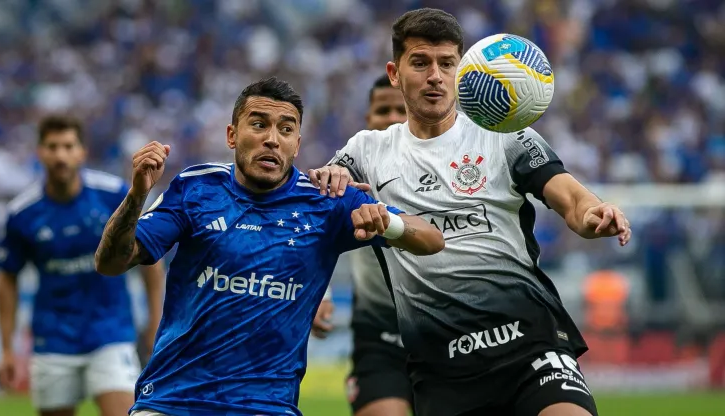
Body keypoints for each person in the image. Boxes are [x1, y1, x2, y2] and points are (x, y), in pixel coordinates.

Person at [308, 8, 633, 416]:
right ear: (394, 73)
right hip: (440, 369)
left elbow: (570, 197)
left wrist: (594, 213)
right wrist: (312, 288)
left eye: (447, 64)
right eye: (421, 63)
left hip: (529, 347)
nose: (435, 76)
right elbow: (315, 218)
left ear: (461, 72)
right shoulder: (366, 152)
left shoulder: (506, 135)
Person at [93, 77, 444, 416]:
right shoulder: (195, 188)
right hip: (171, 400)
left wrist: (388, 221)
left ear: (298, 144)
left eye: (286, 129)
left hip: (267, 407)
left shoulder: (326, 201)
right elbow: (110, 263)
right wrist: (137, 195)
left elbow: (431, 238)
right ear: (232, 135)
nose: (272, 140)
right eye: (259, 125)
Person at [0, 115, 165, 416]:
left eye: (68, 146)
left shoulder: (113, 194)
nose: (60, 155)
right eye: (52, 146)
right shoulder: (22, 213)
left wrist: (155, 323)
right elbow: (8, 278)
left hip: (110, 334)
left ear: (82, 151)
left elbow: (149, 261)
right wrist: (7, 349)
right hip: (53, 340)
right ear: (40, 152)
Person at [311, 74, 412, 416]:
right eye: (383, 110)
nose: (394, 118)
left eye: (403, 109)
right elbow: (312, 229)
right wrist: (319, 295)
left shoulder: (450, 168)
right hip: (379, 333)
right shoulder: (349, 176)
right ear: (367, 121)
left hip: (449, 331)